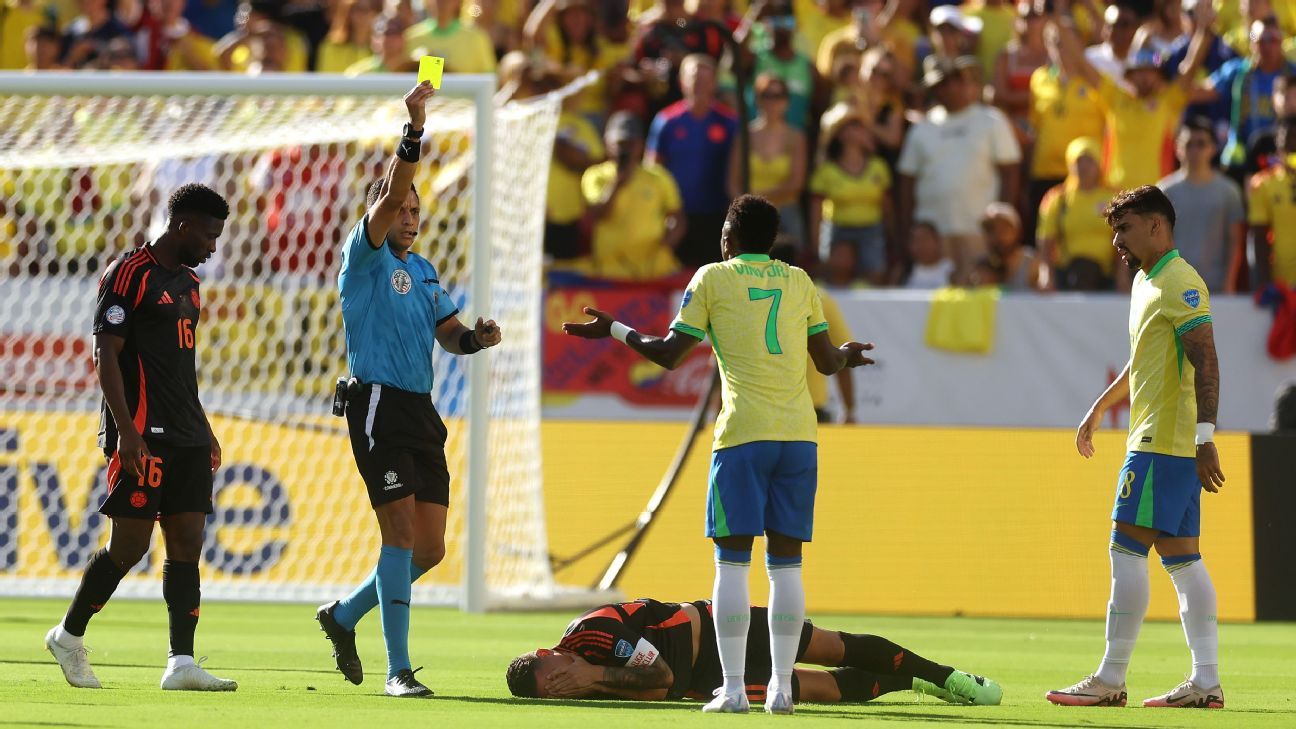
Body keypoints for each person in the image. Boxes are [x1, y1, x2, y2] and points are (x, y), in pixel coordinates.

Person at [561, 194, 875, 714]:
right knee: (787, 567)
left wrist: (614, 329)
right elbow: (825, 364)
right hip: (798, 438)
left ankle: (732, 689)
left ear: (728, 236)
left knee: (732, 565)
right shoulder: (799, 282)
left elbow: (667, 354)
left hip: (743, 437)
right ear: (771, 241)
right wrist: (845, 356)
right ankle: (780, 689)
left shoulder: (713, 277)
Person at [313, 82, 503, 698]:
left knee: (429, 550)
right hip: (377, 407)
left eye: (418, 212)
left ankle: (342, 616)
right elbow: (393, 188)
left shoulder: (424, 272)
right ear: (380, 215)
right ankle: (398, 671)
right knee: (396, 534)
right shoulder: (361, 260)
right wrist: (414, 128)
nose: (411, 218)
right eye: (402, 209)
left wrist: (476, 339)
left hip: (422, 412)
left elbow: (449, 335)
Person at [44, 184, 237, 693]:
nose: (214, 247)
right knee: (128, 547)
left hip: (188, 434)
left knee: (187, 544)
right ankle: (67, 636)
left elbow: (180, 369)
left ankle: (181, 662)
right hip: (143, 436)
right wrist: (126, 432)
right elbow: (105, 356)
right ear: (184, 226)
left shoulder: (191, 285)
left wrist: (204, 427)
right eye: (210, 235)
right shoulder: (128, 274)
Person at [1051, 185, 1225, 709]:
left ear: (1156, 225)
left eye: (1124, 229)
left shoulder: (1181, 281)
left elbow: (1207, 362)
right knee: (1184, 561)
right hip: (1162, 440)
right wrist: (1100, 407)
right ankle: (1206, 683)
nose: (1117, 242)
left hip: (1159, 443)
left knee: (1124, 551)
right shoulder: (1146, 282)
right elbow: (1142, 360)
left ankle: (1110, 678)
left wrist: (1206, 439)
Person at [504, 597, 1002, 706]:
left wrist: (594, 678)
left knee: (830, 647)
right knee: (821, 689)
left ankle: (947, 675)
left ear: (551, 650)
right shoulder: (581, 692)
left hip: (727, 628)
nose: (566, 679)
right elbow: (667, 690)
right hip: (706, 680)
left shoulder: (592, 634)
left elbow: (657, 680)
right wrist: (591, 685)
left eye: (558, 670)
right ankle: (909, 682)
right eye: (557, 690)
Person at [1051, 0, 1214, 190]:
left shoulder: (1169, 101)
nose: (1145, 78)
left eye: (1150, 72)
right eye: (1139, 72)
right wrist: (1055, 18)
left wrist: (1204, 31)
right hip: (1116, 192)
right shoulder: (1114, 97)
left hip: (1156, 193)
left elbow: (1190, 67)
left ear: (1159, 76)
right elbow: (1082, 62)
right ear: (1130, 76)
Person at [898, 55, 1021, 285]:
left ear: (963, 82)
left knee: (977, 295)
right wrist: (908, 232)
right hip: (933, 235)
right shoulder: (922, 128)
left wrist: (1000, 228)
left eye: (951, 81)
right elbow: (907, 183)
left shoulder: (992, 120)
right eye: (939, 85)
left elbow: (1010, 173)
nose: (944, 89)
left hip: (978, 231)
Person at [647, 53, 738, 268]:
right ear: (682, 82)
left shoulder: (729, 122)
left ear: (714, 83)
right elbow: (653, 169)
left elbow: (738, 169)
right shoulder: (666, 121)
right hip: (677, 216)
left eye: (706, 80)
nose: (700, 86)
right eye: (695, 79)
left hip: (716, 215)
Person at [579, 110, 685, 279]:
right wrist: (617, 183)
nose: (625, 149)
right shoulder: (595, 175)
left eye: (631, 143)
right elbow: (598, 214)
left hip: (653, 271)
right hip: (611, 270)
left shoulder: (658, 176)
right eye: (620, 143)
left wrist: (664, 247)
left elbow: (678, 219)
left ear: (641, 145)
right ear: (607, 143)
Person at [1200, 17, 1296, 181]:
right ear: (1251, 43)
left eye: (1271, 39)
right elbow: (1199, 92)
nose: (1266, 45)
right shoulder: (1239, 71)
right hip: (1246, 156)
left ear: (1281, 41)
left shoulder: (1292, 73)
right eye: (1259, 39)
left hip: (1285, 154)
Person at [1158, 117, 1246, 294]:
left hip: (1215, 287)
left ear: (1213, 148)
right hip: (1175, 287)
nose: (1195, 150)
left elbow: (1235, 241)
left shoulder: (1229, 191)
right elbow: (1157, 243)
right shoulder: (1164, 191)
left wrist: (1229, 282)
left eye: (1201, 144)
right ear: (1178, 148)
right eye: (1189, 144)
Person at [810, 103, 892, 285]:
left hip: (873, 232)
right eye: (854, 124)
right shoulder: (826, 171)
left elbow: (888, 210)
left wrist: (892, 240)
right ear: (839, 133)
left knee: (874, 279)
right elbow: (816, 215)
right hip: (838, 232)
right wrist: (816, 252)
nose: (863, 129)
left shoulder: (879, 167)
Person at [727, 73, 808, 248]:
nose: (772, 101)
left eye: (778, 96)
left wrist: (757, 202)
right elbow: (732, 181)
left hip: (785, 215)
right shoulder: (745, 136)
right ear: (757, 99)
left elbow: (795, 183)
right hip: (748, 215)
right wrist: (745, 209)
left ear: (786, 101)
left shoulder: (796, 137)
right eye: (766, 95)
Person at [1037, 137, 1118, 291]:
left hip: (1106, 274)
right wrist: (1046, 274)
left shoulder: (1112, 197)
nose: (1083, 167)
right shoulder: (1057, 198)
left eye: (1089, 161)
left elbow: (1125, 237)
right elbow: (1046, 239)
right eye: (1078, 161)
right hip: (1069, 273)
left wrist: (1123, 276)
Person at [1246, 115, 1296, 287]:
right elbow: (1259, 237)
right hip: (1282, 285)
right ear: (1277, 143)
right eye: (1288, 138)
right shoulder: (1263, 184)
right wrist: (1265, 284)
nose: (1293, 145)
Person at [405, 0, 496, 73]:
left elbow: (488, 76)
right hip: (427, 96)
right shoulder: (411, 36)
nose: (441, 2)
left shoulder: (476, 37)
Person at [982, 201, 1039, 291]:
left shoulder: (1033, 263)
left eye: (1003, 229)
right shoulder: (980, 265)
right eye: (990, 229)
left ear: (1017, 232)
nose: (997, 236)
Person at [344, 12, 416, 75]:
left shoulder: (416, 69)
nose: (388, 39)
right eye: (384, 33)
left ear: (404, 38)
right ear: (373, 39)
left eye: (394, 32)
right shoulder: (359, 74)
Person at [317, 0, 378, 73]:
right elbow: (327, 77)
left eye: (367, 10)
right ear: (348, 13)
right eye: (358, 9)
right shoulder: (331, 46)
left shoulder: (381, 47)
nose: (362, 15)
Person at [905, 220, 955, 288]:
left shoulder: (951, 270)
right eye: (916, 240)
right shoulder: (902, 273)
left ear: (937, 241)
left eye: (925, 239)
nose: (920, 245)